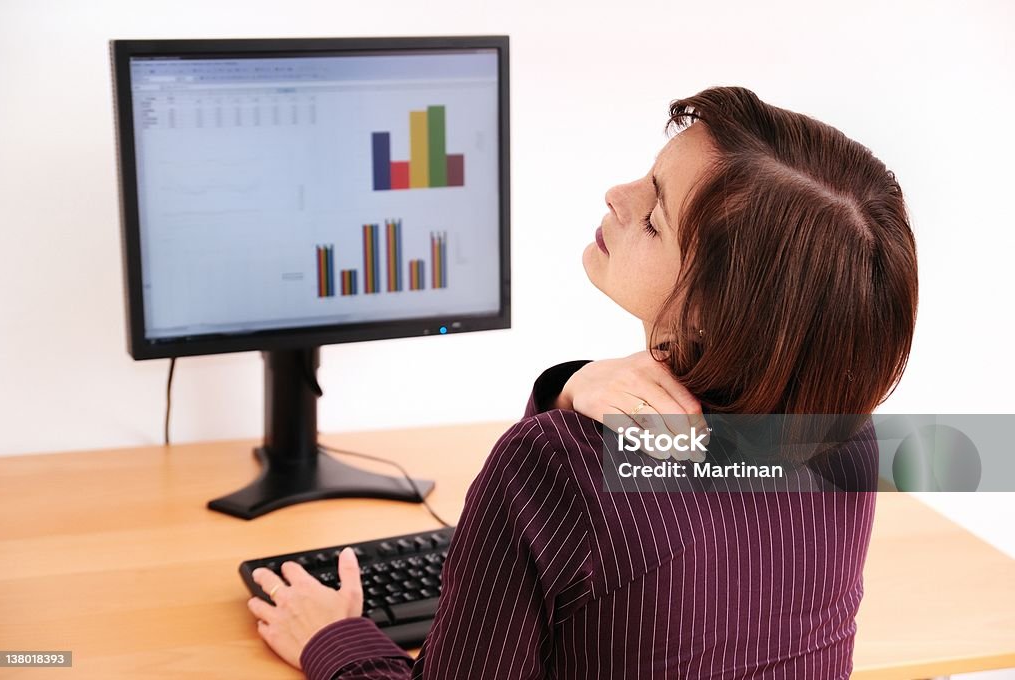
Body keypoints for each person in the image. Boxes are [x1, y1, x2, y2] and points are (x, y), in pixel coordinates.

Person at [246, 85, 918, 679]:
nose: (617, 197)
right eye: (648, 177)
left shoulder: (549, 470)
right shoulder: (845, 443)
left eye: (655, 218)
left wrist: (335, 639)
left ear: (722, 312)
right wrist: (572, 393)